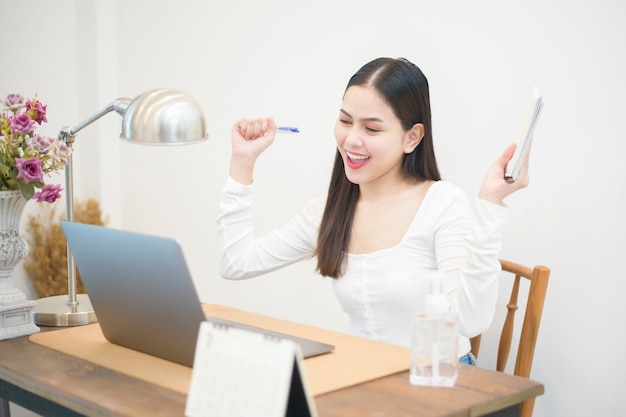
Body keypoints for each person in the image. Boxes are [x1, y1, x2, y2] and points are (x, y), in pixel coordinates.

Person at [216, 57, 530, 365]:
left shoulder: (442, 203)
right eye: (344, 121)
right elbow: (236, 263)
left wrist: (490, 206)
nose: (351, 139)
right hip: (365, 379)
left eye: (372, 129)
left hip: (437, 383)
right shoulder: (329, 211)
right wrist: (242, 162)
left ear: (412, 137)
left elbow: (470, 321)